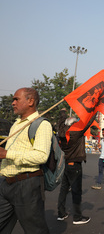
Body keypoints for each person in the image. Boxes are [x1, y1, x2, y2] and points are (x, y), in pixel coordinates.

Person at [0, 88, 51, 233]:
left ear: (30, 101)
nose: (13, 103)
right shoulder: (16, 124)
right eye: (13, 100)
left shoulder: (41, 124)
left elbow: (41, 156)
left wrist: (7, 154)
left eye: (16, 99)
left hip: (27, 185)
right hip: (6, 184)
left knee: (35, 230)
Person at [57, 110, 96, 225]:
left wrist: (62, 113)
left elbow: (60, 122)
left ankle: (61, 213)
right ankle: (77, 217)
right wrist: (95, 110)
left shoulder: (61, 132)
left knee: (63, 190)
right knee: (76, 192)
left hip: (65, 164)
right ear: (74, 125)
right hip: (75, 165)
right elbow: (88, 122)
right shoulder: (76, 132)